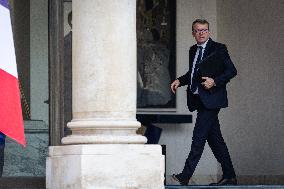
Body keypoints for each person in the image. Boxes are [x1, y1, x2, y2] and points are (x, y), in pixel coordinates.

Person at [170, 19, 237, 186]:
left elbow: (231, 71)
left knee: (198, 138)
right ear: (193, 33)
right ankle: (230, 176)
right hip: (199, 100)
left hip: (212, 100)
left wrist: (214, 81)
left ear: (209, 32)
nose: (201, 33)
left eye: (204, 30)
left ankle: (185, 175)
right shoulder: (193, 50)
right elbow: (193, 74)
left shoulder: (219, 49)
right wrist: (180, 80)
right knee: (216, 141)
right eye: (198, 30)